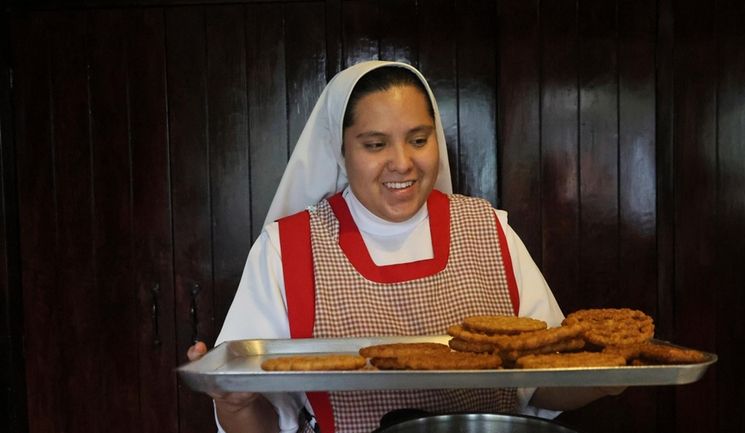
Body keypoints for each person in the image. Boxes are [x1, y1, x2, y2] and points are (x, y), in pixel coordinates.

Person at [187, 60, 623, 433]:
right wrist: (235, 403)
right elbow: (263, 423)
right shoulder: (288, 250)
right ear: (340, 150)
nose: (402, 162)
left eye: (419, 139)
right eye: (375, 144)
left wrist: (611, 376)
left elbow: (545, 381)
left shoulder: (490, 230)